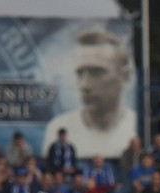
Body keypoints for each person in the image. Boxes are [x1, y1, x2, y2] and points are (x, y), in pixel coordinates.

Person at [41, 28, 136, 159]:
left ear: (124, 77)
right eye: (80, 73)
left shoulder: (134, 124)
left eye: (97, 72)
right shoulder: (58, 127)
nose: (84, 85)